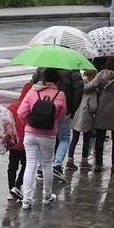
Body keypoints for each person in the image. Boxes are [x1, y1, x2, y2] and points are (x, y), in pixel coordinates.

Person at [15, 73, 67, 211]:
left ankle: (26, 200)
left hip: (30, 134)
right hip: (48, 135)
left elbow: (20, 113)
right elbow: (62, 117)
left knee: (30, 165)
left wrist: (29, 124)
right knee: (47, 164)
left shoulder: (33, 91)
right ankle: (47, 195)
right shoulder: (60, 95)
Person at [76, 58, 114, 170]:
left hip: (102, 110)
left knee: (99, 138)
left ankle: (98, 164)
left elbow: (88, 88)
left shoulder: (101, 75)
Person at [52, 68, 84, 179]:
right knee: (64, 138)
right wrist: (72, 110)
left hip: (45, 107)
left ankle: (41, 168)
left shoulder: (44, 66)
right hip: (65, 109)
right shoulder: (73, 69)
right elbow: (78, 91)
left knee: (47, 138)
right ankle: (57, 164)